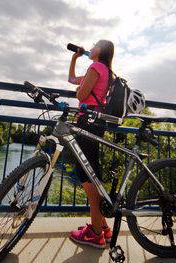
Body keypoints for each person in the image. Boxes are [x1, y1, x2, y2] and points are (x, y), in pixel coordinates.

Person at [68, 40, 115, 249]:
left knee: (85, 173)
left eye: (95, 44)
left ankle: (95, 234)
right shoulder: (104, 70)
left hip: (87, 121)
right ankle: (103, 227)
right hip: (96, 122)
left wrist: (82, 88)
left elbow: (81, 95)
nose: (91, 45)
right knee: (91, 173)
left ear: (100, 51)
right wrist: (74, 57)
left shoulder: (95, 67)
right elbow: (71, 79)